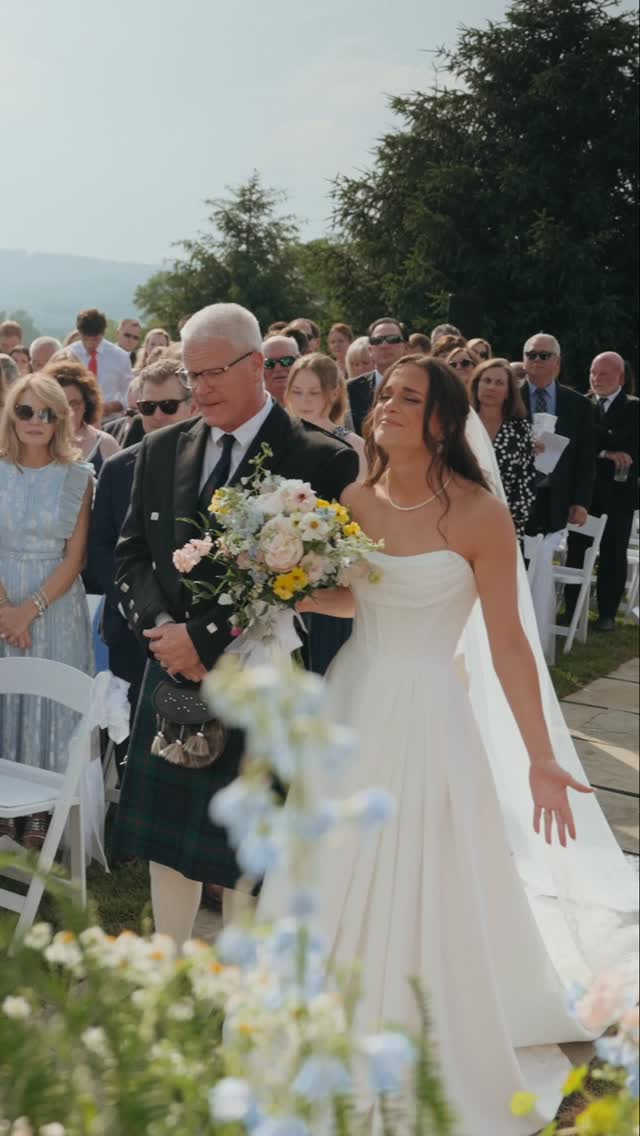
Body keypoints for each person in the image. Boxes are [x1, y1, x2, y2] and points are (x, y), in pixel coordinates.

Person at [262, 354, 636, 1135]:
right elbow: (352, 596)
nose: (387, 406)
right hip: (353, 701)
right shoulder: (355, 495)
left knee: (422, 864)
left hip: (431, 712)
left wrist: (542, 756)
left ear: (441, 421)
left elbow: (507, 645)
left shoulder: (477, 513)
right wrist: (278, 577)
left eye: (408, 398)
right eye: (384, 395)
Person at [112, 302, 359, 945]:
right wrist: (165, 632)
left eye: (213, 373)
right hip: (171, 670)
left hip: (262, 678)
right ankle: (167, 967)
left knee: (247, 847)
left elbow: (308, 578)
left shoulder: (320, 459)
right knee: (167, 846)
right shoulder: (162, 447)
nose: (201, 390)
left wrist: (203, 640)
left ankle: (242, 999)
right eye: (192, 377)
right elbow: (132, 553)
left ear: (255, 366)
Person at [0, 374, 93, 848]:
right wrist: (5, 610)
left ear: (61, 420)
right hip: (0, 601)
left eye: (46, 413)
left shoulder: (79, 477)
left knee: (47, 702)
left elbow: (75, 557)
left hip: (55, 607)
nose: (34, 421)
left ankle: (40, 810)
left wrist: (28, 611)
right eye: (25, 411)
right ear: (11, 416)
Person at [86, 359, 194, 754]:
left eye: (169, 406)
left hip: (192, 633)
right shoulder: (117, 468)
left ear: (191, 405)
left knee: (187, 744)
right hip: (129, 628)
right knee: (128, 739)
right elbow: (99, 546)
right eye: (147, 408)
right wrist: (135, 605)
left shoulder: (214, 466)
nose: (158, 416)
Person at [564, 351, 639, 631]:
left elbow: (630, 446)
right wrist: (607, 449)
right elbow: (574, 442)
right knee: (577, 550)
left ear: (620, 376)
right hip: (586, 493)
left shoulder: (633, 408)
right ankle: (571, 609)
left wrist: (597, 442)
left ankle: (606, 613)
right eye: (593, 373)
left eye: (604, 374)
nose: (597, 379)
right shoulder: (582, 405)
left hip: (619, 495)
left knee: (612, 553)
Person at [521, 333, 595, 537]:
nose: (536, 360)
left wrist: (581, 502)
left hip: (555, 499)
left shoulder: (579, 405)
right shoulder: (509, 398)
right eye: (531, 355)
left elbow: (585, 458)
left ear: (557, 362)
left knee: (542, 565)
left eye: (544, 355)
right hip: (514, 496)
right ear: (523, 360)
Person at [470, 358, 536, 539]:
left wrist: (511, 523)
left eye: (499, 383)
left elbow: (525, 481)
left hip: (503, 521)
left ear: (508, 392)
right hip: (459, 518)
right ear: (476, 386)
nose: (491, 387)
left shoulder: (520, 429)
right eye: (487, 381)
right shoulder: (459, 424)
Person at [286, 353, 365, 475]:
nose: (304, 400)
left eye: (314, 392)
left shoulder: (356, 447)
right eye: (297, 392)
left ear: (334, 393)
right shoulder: (278, 439)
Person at [45, 358, 120, 477]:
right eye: (61, 404)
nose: (68, 411)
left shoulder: (105, 444)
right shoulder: (38, 442)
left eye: (74, 403)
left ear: (87, 404)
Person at [67, 308, 132, 421]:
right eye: (86, 338)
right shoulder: (67, 355)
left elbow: (129, 391)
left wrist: (115, 405)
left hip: (110, 420)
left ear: (103, 333)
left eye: (95, 339)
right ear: (79, 332)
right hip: (75, 420)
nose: (90, 344)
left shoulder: (120, 356)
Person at [347, 317, 408, 436]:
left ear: (406, 348)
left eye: (393, 339)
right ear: (370, 350)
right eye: (377, 340)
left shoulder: (422, 385)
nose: (384, 345)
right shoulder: (350, 389)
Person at [262, 334, 300, 404]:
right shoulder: (251, 407)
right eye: (270, 363)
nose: (278, 368)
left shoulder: (319, 401)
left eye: (286, 361)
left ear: (299, 361)